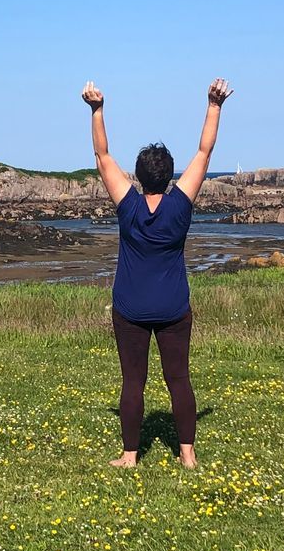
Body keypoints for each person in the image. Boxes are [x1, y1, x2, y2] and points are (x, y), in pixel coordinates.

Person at [81, 78, 233, 469]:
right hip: (173, 308)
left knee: (134, 382)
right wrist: (214, 106)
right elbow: (205, 151)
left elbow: (102, 155)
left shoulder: (128, 204)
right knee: (178, 379)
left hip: (130, 308)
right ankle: (187, 454)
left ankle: (130, 456)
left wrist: (97, 110)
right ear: (168, 176)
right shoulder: (179, 205)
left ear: (138, 175)